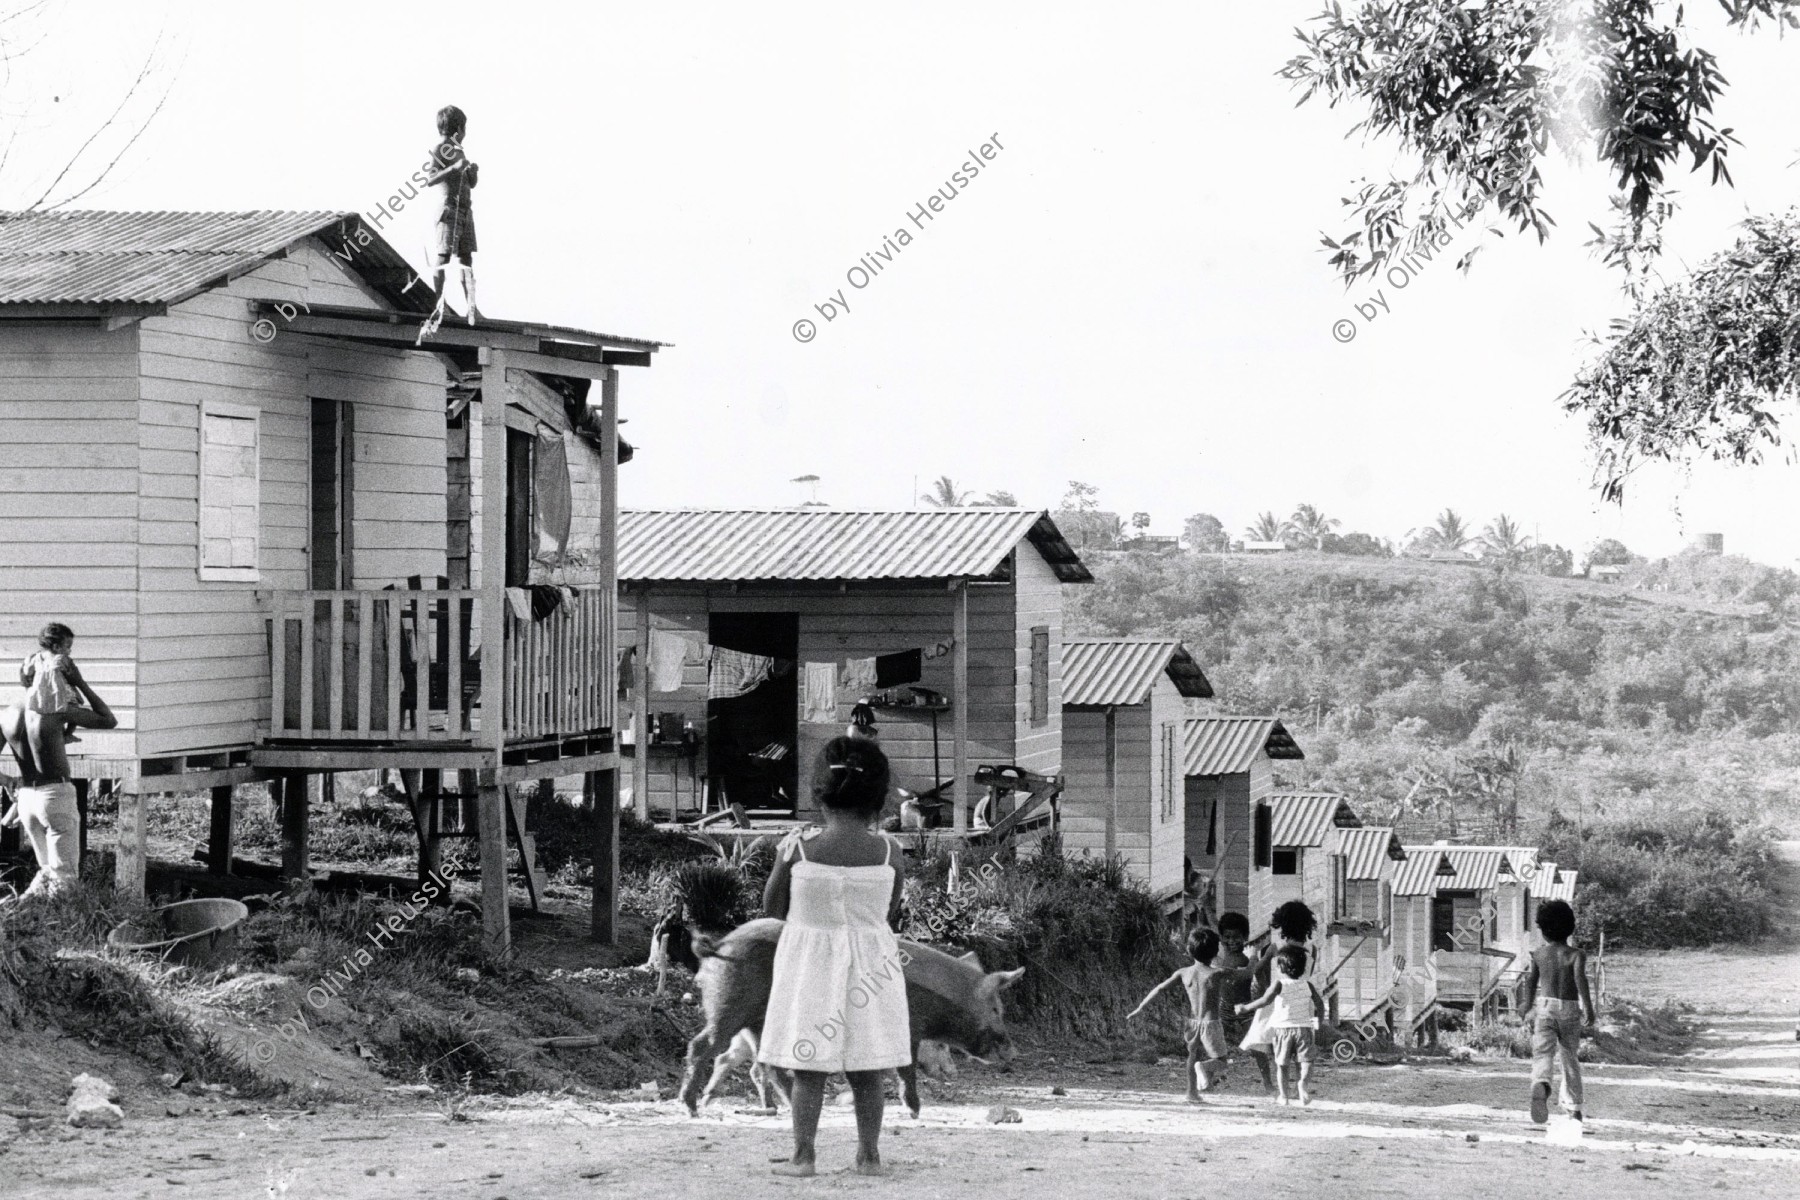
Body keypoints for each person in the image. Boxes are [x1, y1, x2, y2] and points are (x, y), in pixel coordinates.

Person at [757, 737, 909, 1177]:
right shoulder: (889, 852)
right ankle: (869, 1156)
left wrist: (786, 864)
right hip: (873, 967)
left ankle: (803, 1156)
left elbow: (773, 910)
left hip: (810, 967)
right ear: (878, 798)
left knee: (809, 1067)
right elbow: (890, 911)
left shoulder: (799, 849)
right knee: (868, 1065)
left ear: (818, 794)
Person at [0, 635, 118, 900]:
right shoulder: (57, 710)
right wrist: (79, 681)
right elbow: (108, 719)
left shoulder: (7, 714)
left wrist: (7, 779)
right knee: (65, 878)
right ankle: (67, 930)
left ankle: (25, 915)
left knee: (47, 871)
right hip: (55, 794)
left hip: (27, 799)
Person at [1127, 926, 1231, 1102]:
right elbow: (1248, 973)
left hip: (1192, 1023)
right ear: (1215, 952)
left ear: (1189, 950)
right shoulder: (1217, 973)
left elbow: (1160, 988)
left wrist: (1140, 1007)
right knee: (1222, 1061)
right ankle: (1204, 1068)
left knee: (1192, 1056)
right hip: (1210, 1023)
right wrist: (1257, 957)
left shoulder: (1183, 972)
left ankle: (1192, 1093)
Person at [1518, 898, 1595, 1125]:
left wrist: (1526, 1004)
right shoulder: (1576, 955)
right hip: (1570, 1009)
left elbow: (1530, 983)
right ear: (1569, 927)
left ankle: (1541, 1083)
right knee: (1569, 1057)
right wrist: (1588, 1008)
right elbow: (1581, 981)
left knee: (1543, 1054)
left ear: (1543, 929)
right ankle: (1574, 1108)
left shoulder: (1539, 955)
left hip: (1545, 1008)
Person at [1234, 900, 1318, 1093]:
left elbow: (1257, 970)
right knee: (1299, 1047)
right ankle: (1298, 1085)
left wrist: (1265, 987)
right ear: (1307, 924)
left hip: (1275, 998)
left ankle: (1269, 1083)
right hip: (1301, 1000)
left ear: (1282, 924)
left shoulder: (1275, 947)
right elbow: (1308, 976)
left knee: (1260, 1041)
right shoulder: (1312, 949)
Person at [1234, 944, 1326, 1106]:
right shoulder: (1308, 985)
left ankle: (1284, 1096)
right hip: (1304, 1029)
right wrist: (1318, 1022)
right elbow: (1319, 1004)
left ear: (1281, 968)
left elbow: (1264, 1001)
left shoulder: (1278, 984)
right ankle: (1302, 1084)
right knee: (1305, 1062)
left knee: (1282, 1065)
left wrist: (1245, 1008)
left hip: (1282, 1031)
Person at [422, 104, 480, 335]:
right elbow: (430, 178)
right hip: (449, 209)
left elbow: (470, 183)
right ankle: (439, 306)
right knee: (443, 255)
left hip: (464, 210)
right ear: (457, 128)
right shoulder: (441, 148)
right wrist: (454, 168)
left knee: (466, 258)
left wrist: (472, 174)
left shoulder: (459, 150)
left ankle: (471, 307)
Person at [1213, 911, 1269, 1090]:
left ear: (1245, 937)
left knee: (1256, 1047)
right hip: (1224, 1008)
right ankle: (1211, 1077)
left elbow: (1250, 974)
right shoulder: (1224, 956)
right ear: (1221, 938)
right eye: (1227, 937)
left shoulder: (1244, 958)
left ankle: (1268, 1082)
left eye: (1237, 937)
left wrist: (1258, 957)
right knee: (1212, 1045)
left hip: (1244, 1009)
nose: (1232, 941)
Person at [19, 622, 88, 744]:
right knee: (75, 712)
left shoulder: (35, 657)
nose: (69, 650)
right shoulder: (61, 659)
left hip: (42, 694)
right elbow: (70, 674)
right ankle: (68, 734)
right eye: (68, 647)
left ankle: (59, 733)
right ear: (56, 647)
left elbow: (27, 672)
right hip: (60, 691)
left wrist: (28, 671)